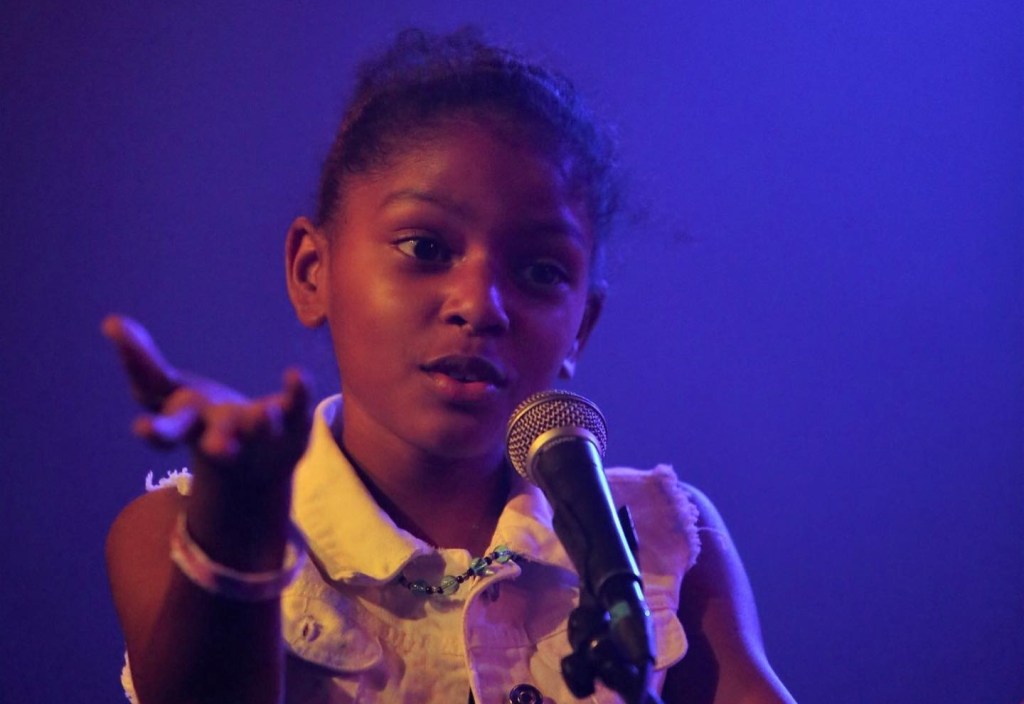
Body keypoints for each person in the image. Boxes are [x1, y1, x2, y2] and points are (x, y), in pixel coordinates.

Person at [104, 28, 796, 704]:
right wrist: (241, 517)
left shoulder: (659, 541)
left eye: (539, 269)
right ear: (312, 271)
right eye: (426, 248)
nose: (480, 305)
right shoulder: (176, 530)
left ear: (580, 326)